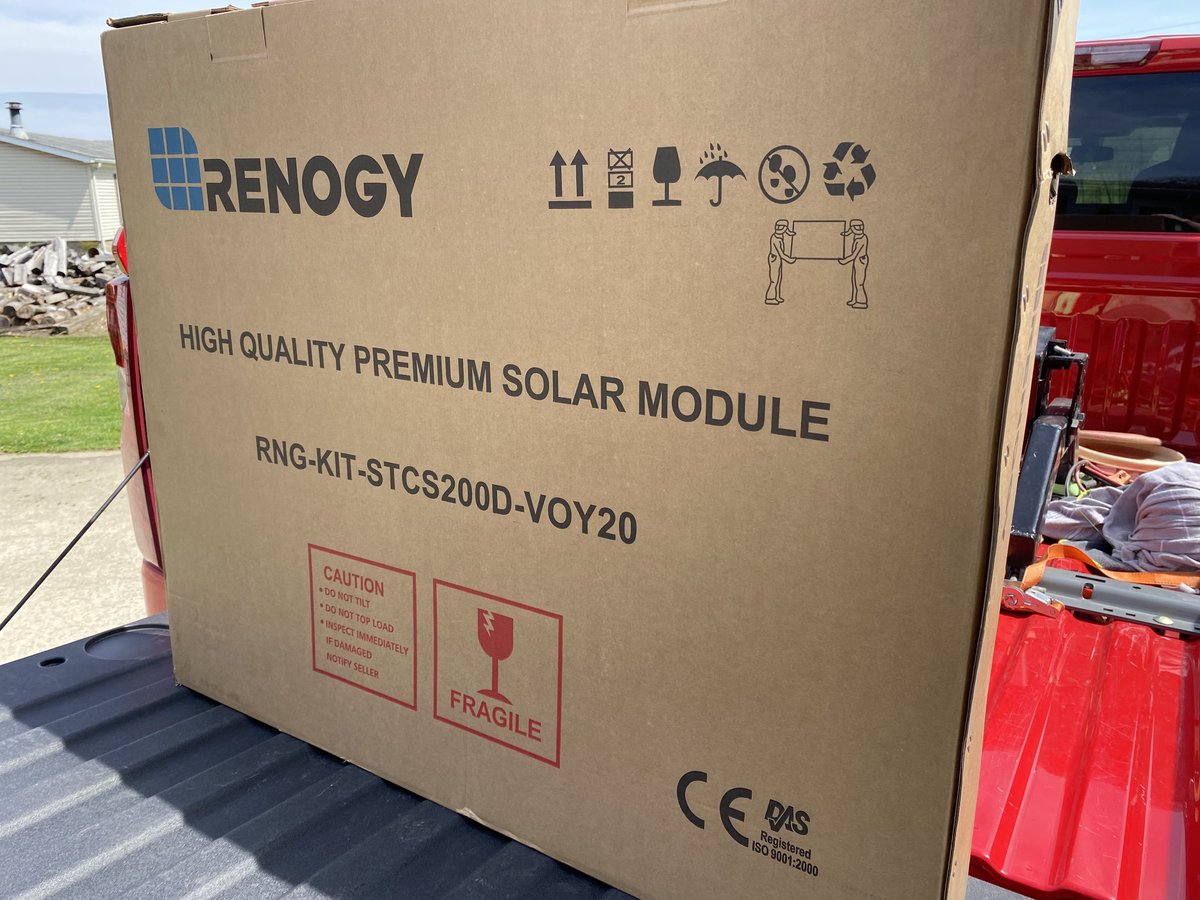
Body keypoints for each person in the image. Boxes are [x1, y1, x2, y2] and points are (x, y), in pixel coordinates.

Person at [765, 219, 797, 305]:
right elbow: (781, 254)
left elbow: (789, 232)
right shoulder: (776, 239)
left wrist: (791, 233)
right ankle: (770, 298)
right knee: (774, 280)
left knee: (779, 278)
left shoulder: (779, 235)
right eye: (778, 227)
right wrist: (789, 260)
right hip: (774, 259)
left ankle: (777, 296)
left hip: (778, 259)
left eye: (782, 227)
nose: (779, 228)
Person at [839, 219, 869, 309]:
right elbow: (849, 232)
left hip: (861, 260)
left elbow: (854, 255)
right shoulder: (857, 235)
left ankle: (862, 302)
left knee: (859, 282)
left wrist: (844, 261)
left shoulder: (861, 239)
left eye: (860, 227)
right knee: (854, 281)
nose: (860, 228)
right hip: (857, 261)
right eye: (857, 227)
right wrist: (845, 234)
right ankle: (854, 299)